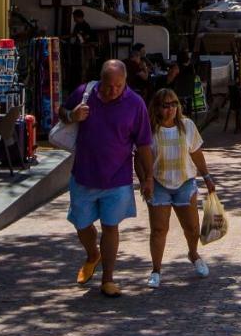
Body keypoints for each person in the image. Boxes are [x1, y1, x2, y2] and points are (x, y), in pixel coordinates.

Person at [61, 60, 154, 298]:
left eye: (119, 86)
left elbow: (143, 144)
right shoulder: (85, 93)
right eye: (109, 86)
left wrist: (148, 177)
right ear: (100, 81)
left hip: (117, 178)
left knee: (111, 227)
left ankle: (108, 278)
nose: (113, 91)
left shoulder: (135, 104)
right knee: (81, 224)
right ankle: (93, 254)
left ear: (125, 83)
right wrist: (72, 115)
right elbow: (62, 111)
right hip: (83, 174)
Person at [145, 88, 215, 288]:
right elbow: (141, 158)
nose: (170, 109)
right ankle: (156, 270)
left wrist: (207, 177)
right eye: (165, 105)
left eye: (174, 104)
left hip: (185, 182)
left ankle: (193, 254)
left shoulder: (187, 126)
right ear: (157, 108)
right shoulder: (150, 130)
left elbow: (196, 153)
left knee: (192, 228)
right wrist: (145, 180)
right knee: (159, 230)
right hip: (159, 184)